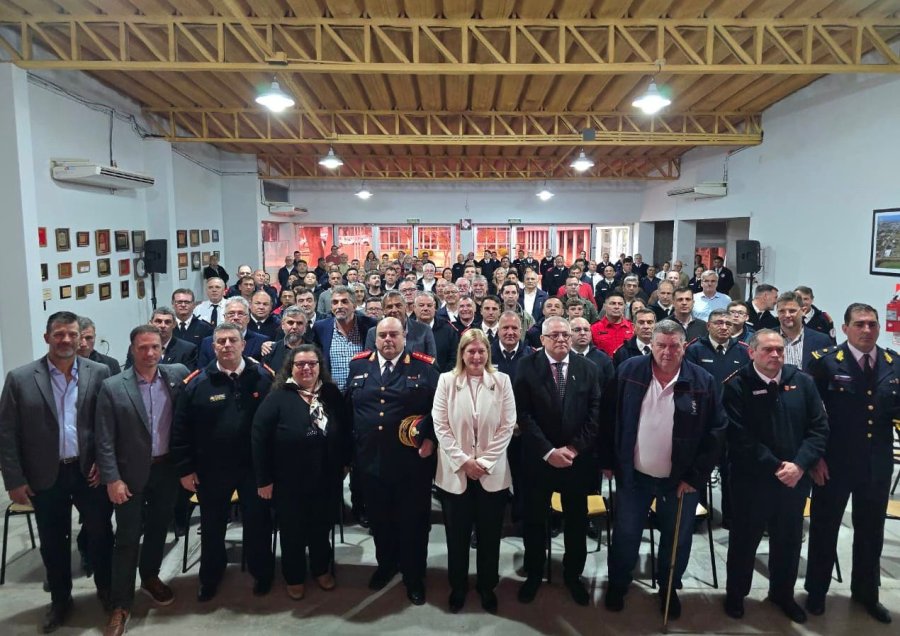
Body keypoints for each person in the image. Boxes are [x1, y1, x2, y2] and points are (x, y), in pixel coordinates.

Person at [0, 311, 113, 633]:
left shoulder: (98, 372)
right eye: (59, 334)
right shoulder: (20, 378)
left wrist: (105, 465)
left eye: (72, 334)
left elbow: (107, 424)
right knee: (53, 541)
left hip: (88, 473)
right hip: (44, 475)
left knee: (101, 534)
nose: (66, 340)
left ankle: (106, 590)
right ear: (47, 337)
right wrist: (14, 480)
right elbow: (6, 433)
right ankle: (61, 600)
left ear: (81, 338)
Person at [603, 320, 724, 620]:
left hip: (680, 482)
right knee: (626, 535)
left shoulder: (703, 381)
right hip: (634, 477)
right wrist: (608, 461)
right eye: (661, 345)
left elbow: (717, 432)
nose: (667, 352)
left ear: (685, 346)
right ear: (651, 345)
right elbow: (609, 417)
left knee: (677, 540)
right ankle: (619, 584)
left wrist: (694, 477)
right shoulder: (629, 371)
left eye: (674, 346)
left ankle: (669, 588)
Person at [722, 329, 828, 624]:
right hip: (752, 480)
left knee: (789, 542)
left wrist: (800, 465)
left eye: (780, 350)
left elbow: (819, 428)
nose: (775, 355)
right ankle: (736, 595)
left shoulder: (802, 382)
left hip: (794, 480)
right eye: (768, 350)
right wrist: (776, 466)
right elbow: (738, 436)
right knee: (744, 542)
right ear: (751, 352)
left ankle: (782, 594)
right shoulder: (736, 386)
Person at [95, 325, 191, 636]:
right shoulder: (113, 386)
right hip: (129, 475)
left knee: (158, 528)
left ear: (163, 347)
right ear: (132, 348)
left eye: (155, 347)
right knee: (126, 538)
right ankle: (121, 603)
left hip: (166, 470)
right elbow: (104, 439)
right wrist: (112, 478)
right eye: (142, 348)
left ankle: (150, 576)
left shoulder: (175, 375)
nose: (149, 353)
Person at [804, 303, 896, 624]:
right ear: (845, 328)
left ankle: (867, 593)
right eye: (859, 324)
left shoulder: (893, 364)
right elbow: (809, 416)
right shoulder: (825, 363)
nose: (866, 330)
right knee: (824, 529)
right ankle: (816, 593)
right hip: (833, 463)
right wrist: (814, 458)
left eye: (872, 324)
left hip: (876, 465)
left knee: (872, 532)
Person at [171, 323, 276, 602]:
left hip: (254, 468)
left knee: (258, 523)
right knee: (212, 526)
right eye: (221, 341)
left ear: (243, 344)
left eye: (232, 340)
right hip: (212, 470)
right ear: (213, 347)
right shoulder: (197, 383)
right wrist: (185, 468)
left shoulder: (263, 378)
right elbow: (181, 430)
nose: (227, 345)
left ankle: (262, 572)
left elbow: (276, 425)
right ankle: (210, 576)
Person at [345, 317, 440, 605]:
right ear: (375, 338)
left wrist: (430, 439)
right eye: (383, 335)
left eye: (393, 335)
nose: (388, 339)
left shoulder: (424, 366)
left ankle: (414, 575)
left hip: (412, 462)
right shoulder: (359, 365)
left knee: (414, 521)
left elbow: (441, 409)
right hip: (370, 461)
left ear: (404, 336)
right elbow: (350, 410)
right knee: (380, 520)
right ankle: (386, 565)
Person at [515, 317, 603, 606]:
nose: (562, 339)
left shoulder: (588, 368)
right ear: (542, 340)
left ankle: (572, 575)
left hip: (576, 462)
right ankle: (534, 572)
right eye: (555, 335)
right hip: (539, 460)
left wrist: (574, 449)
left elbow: (594, 413)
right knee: (535, 520)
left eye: (566, 334)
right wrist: (549, 451)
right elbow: (523, 414)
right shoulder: (527, 368)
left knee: (576, 522)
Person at [252, 345, 349, 600]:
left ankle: (321, 569)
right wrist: (264, 479)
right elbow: (259, 438)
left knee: (321, 527)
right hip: (288, 481)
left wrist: (345, 462)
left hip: (326, 478)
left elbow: (346, 428)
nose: (306, 368)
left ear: (320, 366)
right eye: (300, 364)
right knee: (293, 531)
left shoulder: (330, 393)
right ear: (291, 368)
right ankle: (294, 576)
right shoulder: (278, 397)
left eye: (312, 364)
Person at [432, 329, 516, 613]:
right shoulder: (447, 381)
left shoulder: (501, 381)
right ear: (462, 354)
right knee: (457, 536)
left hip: (492, 474)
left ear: (488, 354)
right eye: (471, 352)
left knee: (490, 536)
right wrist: (464, 461)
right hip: (456, 473)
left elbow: (508, 426)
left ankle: (486, 586)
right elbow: (440, 425)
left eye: (481, 352)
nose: (477, 357)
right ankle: (458, 586)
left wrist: (485, 462)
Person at [196, 297, 269, 368]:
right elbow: (203, 372)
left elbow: (266, 374)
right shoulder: (208, 342)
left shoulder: (261, 341)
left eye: (240, 313)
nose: (236, 317)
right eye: (231, 313)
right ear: (224, 318)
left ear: (248, 318)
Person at [364, 291, 437, 356]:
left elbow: (432, 363)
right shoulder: (373, 333)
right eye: (389, 307)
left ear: (405, 307)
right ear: (383, 310)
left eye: (398, 306)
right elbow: (370, 363)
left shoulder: (424, 330)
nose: (394, 310)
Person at [775, 291, 832, 371]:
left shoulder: (821, 341)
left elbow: (828, 373)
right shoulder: (765, 339)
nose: (787, 315)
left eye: (792, 311)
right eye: (782, 311)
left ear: (803, 311)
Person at [125, 307, 197, 369]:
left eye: (167, 322)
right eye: (158, 321)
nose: (163, 325)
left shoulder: (187, 349)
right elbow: (128, 376)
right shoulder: (137, 348)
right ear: (150, 323)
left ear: (174, 325)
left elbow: (188, 379)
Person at [591, 292, 634, 357]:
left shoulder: (633, 327)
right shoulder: (594, 329)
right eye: (613, 303)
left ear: (624, 307)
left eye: (620, 304)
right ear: (605, 306)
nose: (617, 307)